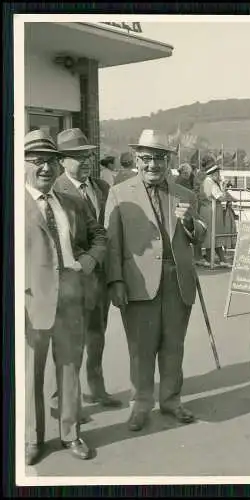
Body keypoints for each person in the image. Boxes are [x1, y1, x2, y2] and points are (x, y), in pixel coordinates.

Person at [104, 129, 207, 432]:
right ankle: (140, 405)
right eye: (146, 158)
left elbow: (200, 235)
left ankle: (172, 401)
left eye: (159, 158)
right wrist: (116, 282)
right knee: (141, 348)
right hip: (137, 284)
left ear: (168, 161)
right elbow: (112, 244)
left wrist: (189, 221)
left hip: (178, 282)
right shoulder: (119, 193)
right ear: (137, 159)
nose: (153, 165)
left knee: (174, 346)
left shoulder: (185, 194)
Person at [24, 129, 107, 465]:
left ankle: (71, 434)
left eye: (52, 161)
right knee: (30, 374)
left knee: (70, 369)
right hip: (31, 303)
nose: (46, 168)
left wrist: (86, 263)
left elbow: (99, 237)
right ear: (24, 165)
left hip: (71, 299)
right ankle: (32, 439)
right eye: (38, 161)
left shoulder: (71, 203)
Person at [53, 128, 121, 408]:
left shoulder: (103, 188)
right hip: (71, 280)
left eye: (88, 156)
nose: (84, 162)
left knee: (97, 336)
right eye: (76, 157)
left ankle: (97, 388)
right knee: (69, 344)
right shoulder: (55, 190)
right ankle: (67, 400)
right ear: (61, 161)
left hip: (99, 279)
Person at [198, 156, 235, 267]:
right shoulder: (210, 183)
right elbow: (221, 197)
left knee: (213, 236)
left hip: (208, 211)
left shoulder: (207, 181)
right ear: (214, 174)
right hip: (211, 212)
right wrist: (224, 188)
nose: (220, 176)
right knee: (213, 236)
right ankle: (215, 260)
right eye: (218, 174)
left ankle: (215, 259)